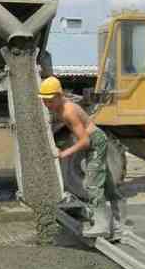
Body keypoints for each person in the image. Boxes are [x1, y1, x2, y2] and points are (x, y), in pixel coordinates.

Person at [38, 76, 123, 238]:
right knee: (107, 184)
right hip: (93, 141)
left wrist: (64, 153)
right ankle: (119, 223)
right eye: (44, 100)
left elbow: (85, 141)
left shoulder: (69, 111)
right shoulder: (60, 108)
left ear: (58, 95)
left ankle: (102, 225)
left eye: (48, 100)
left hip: (95, 142)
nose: (46, 104)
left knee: (92, 183)